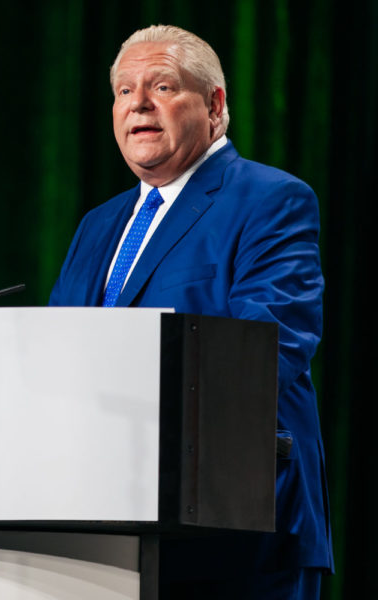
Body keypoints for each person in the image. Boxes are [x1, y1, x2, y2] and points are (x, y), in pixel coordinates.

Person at [49, 25, 332, 599]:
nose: (139, 105)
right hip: (101, 529)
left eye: (162, 86)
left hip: (237, 529)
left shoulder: (269, 199)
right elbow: (57, 353)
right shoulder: (98, 225)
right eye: (124, 91)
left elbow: (266, 346)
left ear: (215, 105)